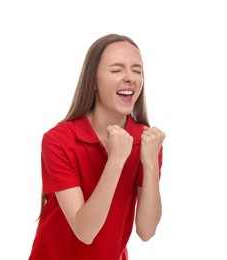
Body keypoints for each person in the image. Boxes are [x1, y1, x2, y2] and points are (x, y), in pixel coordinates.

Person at [29, 33, 165, 260]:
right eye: (116, 70)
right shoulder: (58, 140)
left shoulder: (147, 142)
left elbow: (146, 231)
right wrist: (116, 160)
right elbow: (85, 231)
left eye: (137, 70)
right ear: (92, 80)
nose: (130, 77)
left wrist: (150, 163)